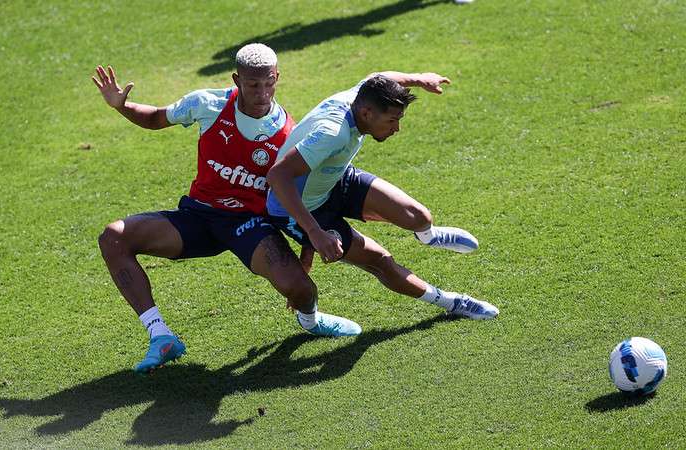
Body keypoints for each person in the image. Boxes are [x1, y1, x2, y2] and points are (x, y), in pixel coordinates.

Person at [91, 44, 358, 374]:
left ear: (277, 78)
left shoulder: (290, 134)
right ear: (236, 79)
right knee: (113, 237)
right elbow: (157, 118)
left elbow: (302, 196)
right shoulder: (208, 104)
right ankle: (161, 336)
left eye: (269, 82)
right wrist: (122, 106)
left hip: (248, 226)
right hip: (199, 216)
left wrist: (305, 256)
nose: (262, 92)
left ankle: (312, 320)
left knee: (302, 289)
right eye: (252, 84)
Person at [266, 72, 499, 331]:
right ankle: (453, 303)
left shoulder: (360, 96)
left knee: (418, 216)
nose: (396, 129)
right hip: (299, 208)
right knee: (380, 261)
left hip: (332, 179)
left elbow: (379, 76)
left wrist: (419, 79)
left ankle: (428, 236)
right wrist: (314, 234)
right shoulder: (333, 133)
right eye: (392, 120)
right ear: (367, 113)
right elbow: (278, 176)